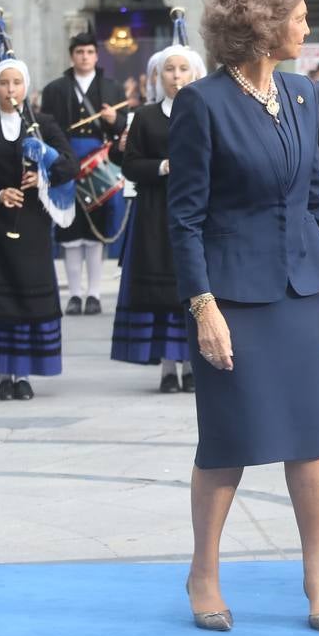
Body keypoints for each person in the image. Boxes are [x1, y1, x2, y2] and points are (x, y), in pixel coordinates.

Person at [170, 0, 319, 634]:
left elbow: (314, 198)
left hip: (305, 290)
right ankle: (205, 574)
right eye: (300, 15)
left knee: (312, 442)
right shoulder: (202, 103)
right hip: (235, 299)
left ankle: (318, 577)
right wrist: (203, 306)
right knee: (228, 442)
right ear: (262, 21)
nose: (308, 27)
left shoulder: (303, 95)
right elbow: (184, 218)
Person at [0, 58, 77, 401]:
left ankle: (22, 374)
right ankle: (2, 375)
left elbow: (69, 165)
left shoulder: (43, 124)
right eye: (4, 83)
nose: (10, 90)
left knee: (25, 297)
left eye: (16, 83)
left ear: (26, 87)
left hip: (32, 224)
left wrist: (43, 173)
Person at [111, 44, 206, 392]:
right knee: (163, 291)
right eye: (169, 69)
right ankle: (168, 367)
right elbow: (130, 164)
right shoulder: (145, 117)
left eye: (183, 69)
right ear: (157, 75)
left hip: (198, 211)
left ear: (195, 73)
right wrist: (164, 166)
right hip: (155, 211)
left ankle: (195, 363)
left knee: (196, 286)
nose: (176, 76)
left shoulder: (205, 111)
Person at [40, 31, 126, 316]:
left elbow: (122, 130)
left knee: (95, 232)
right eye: (79, 52)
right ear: (72, 55)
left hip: (99, 168)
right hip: (67, 164)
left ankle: (94, 294)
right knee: (70, 229)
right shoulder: (55, 89)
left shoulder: (112, 87)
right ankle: (75, 294)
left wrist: (115, 121)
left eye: (89, 52)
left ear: (96, 55)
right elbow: (46, 129)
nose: (85, 57)